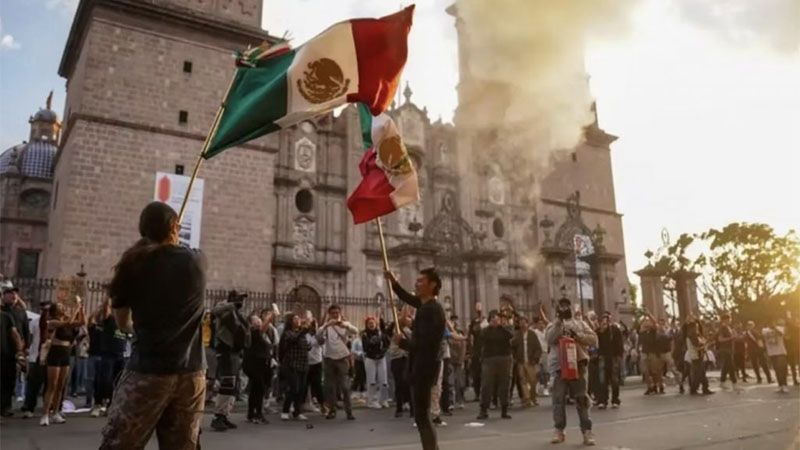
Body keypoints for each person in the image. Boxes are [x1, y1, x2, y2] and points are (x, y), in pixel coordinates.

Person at [100, 201, 207, 449]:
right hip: (191, 373)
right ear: (174, 227)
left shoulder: (131, 266)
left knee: (121, 442)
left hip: (148, 370)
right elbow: (183, 252)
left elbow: (124, 323)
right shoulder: (197, 262)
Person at [386, 268, 446, 450]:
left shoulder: (432, 310)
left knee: (422, 416)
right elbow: (409, 298)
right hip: (420, 367)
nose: (416, 284)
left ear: (432, 284)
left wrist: (401, 342)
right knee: (422, 416)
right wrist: (393, 282)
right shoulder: (425, 306)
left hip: (424, 369)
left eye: (421, 281)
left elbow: (424, 345)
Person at [546, 296, 597, 446]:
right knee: (558, 400)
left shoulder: (580, 323)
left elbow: (594, 339)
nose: (564, 308)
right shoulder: (553, 325)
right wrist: (558, 323)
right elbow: (549, 339)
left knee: (581, 398)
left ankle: (587, 431)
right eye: (561, 306)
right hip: (559, 367)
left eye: (566, 306)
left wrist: (577, 335)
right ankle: (559, 430)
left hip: (578, 365)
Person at [210, 290, 251, 432]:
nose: (241, 302)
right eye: (239, 298)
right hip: (225, 349)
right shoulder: (225, 307)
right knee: (227, 383)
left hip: (234, 351)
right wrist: (231, 305)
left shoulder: (238, 313)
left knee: (233, 385)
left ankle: (225, 414)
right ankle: (218, 417)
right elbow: (214, 310)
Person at [40, 301, 85, 426]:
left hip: (66, 354)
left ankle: (56, 412)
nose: (63, 308)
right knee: (52, 385)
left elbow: (81, 322)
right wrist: (76, 307)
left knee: (61, 385)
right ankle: (45, 414)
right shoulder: (53, 322)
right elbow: (69, 322)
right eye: (60, 307)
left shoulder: (67, 323)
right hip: (55, 353)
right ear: (54, 311)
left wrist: (81, 309)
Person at [317, 304, 358, 420]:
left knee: (345, 386)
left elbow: (355, 331)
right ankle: (332, 410)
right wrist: (326, 325)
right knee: (330, 387)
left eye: (337, 313)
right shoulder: (327, 326)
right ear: (329, 314)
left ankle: (349, 411)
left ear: (340, 313)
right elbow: (318, 335)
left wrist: (345, 325)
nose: (335, 315)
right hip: (329, 359)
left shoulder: (344, 324)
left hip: (342, 358)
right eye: (333, 313)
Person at [278, 312, 311, 420]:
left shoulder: (301, 333)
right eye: (295, 319)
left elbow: (307, 346)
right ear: (290, 321)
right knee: (293, 388)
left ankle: (298, 411)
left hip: (303, 363)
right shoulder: (288, 333)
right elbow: (293, 339)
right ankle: (285, 410)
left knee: (301, 389)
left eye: (298, 318)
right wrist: (303, 331)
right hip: (292, 364)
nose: (298, 320)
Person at [21, 301, 48, 418]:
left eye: (47, 310)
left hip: (49, 358)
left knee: (49, 384)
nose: (45, 312)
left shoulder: (53, 323)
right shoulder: (35, 322)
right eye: (43, 310)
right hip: (35, 356)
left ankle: (49, 406)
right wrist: (26, 350)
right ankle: (29, 406)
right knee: (32, 384)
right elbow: (30, 337)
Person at [243, 315, 270, 424]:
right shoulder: (253, 333)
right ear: (251, 323)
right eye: (256, 320)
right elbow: (263, 328)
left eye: (259, 319)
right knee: (260, 388)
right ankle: (258, 413)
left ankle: (251, 413)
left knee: (255, 389)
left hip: (260, 364)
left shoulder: (259, 334)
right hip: (253, 365)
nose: (259, 321)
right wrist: (269, 318)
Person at [1, 298, 25, 417]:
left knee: (8, 382)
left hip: (6, 355)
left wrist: (20, 352)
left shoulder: (6, 317)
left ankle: (5, 407)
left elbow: (15, 335)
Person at [512, 315, 542, 408]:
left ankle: (533, 397)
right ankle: (527, 399)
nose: (523, 324)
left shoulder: (532, 334)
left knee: (533, 380)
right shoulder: (517, 335)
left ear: (527, 323)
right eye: (521, 322)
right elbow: (512, 346)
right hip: (520, 361)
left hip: (530, 361)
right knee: (522, 380)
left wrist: (535, 358)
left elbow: (538, 348)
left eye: (524, 322)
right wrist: (515, 358)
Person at [361, 315, 390, 409]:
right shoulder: (365, 334)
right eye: (369, 323)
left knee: (384, 380)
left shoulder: (380, 333)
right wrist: (371, 342)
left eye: (372, 323)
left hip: (381, 358)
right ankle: (372, 401)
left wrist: (383, 351)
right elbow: (365, 347)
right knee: (371, 381)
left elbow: (387, 343)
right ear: (366, 325)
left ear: (376, 323)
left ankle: (383, 400)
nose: (371, 325)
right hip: (370, 359)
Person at [388, 310, 413, 418]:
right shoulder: (395, 328)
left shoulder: (411, 330)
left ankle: (412, 407)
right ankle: (399, 407)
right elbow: (389, 332)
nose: (408, 319)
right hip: (396, 358)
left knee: (409, 382)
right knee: (399, 383)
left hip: (407, 357)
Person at [596, 313, 623, 409]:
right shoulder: (600, 331)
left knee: (614, 380)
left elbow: (620, 343)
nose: (606, 320)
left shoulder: (615, 330)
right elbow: (596, 340)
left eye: (607, 318)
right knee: (602, 380)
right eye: (604, 318)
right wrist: (601, 329)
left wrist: (619, 355)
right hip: (603, 357)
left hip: (613, 357)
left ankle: (615, 400)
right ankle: (603, 400)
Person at [684, 317, 714, 396]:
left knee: (701, 373)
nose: (697, 328)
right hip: (696, 356)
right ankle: (695, 388)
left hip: (698, 356)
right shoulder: (692, 336)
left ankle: (703, 388)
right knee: (698, 374)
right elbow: (697, 347)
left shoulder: (695, 336)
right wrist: (706, 344)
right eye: (696, 327)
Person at [716, 312, 742, 392]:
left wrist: (735, 337)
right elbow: (720, 339)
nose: (729, 320)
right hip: (725, 349)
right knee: (731, 367)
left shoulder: (728, 328)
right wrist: (731, 338)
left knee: (726, 366)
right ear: (724, 320)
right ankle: (734, 384)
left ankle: (722, 381)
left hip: (730, 349)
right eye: (728, 319)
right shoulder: (722, 328)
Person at [762, 319, 789, 393]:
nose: (772, 324)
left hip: (781, 352)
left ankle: (784, 385)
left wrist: (775, 328)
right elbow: (765, 335)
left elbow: (781, 334)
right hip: (772, 352)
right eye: (770, 323)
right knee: (776, 369)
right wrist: (772, 329)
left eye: (773, 322)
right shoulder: (765, 330)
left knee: (782, 369)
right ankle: (780, 385)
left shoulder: (780, 328)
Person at [447, 316, 468, 410]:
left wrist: (462, 359)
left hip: (458, 361)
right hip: (450, 360)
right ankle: (451, 401)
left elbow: (462, 347)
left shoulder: (460, 333)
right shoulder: (448, 334)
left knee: (459, 382)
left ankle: (460, 400)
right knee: (450, 381)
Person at [639, 316, 662, 395]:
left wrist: (649, 315)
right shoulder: (642, 332)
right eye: (645, 321)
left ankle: (655, 385)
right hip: (644, 353)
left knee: (654, 371)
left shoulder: (653, 331)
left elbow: (655, 323)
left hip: (652, 353)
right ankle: (649, 387)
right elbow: (640, 342)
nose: (646, 322)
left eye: (647, 321)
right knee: (646, 371)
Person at [784, 316, 800, 386]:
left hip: (791, 350)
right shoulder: (796, 329)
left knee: (793, 365)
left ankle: (794, 379)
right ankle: (795, 379)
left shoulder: (788, 331)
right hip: (795, 349)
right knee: (795, 365)